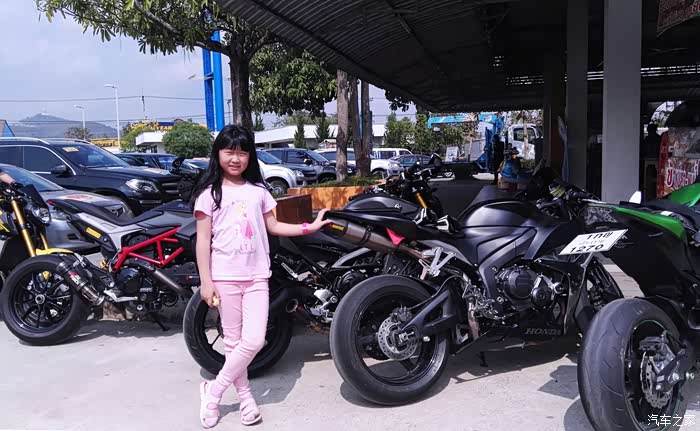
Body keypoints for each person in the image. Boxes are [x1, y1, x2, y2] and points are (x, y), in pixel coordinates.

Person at [190, 125, 330, 428]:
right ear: (218, 154)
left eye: (242, 152)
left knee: (254, 341)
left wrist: (310, 227)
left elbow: (274, 227)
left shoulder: (259, 191)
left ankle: (213, 392)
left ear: (250, 156)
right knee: (233, 343)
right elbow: (202, 241)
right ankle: (246, 400)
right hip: (224, 277)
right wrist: (206, 281)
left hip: (256, 277)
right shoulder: (209, 194)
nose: (236, 158)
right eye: (229, 151)